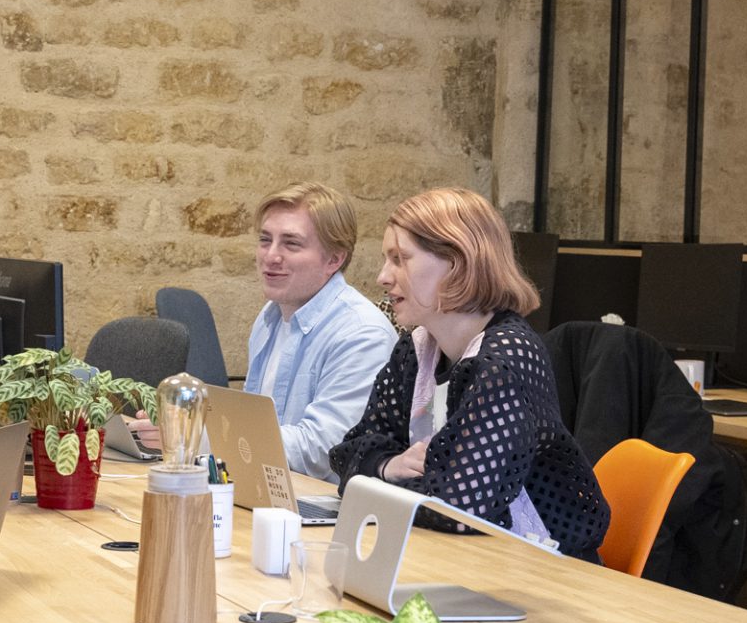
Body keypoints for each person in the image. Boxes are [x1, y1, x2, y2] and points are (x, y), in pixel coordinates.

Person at [329, 187, 610, 562]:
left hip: (540, 570)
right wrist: (387, 465)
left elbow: (457, 509)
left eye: (400, 259)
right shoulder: (417, 347)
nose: (383, 276)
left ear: (457, 264)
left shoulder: (506, 360)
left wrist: (376, 480)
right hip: (460, 558)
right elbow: (348, 454)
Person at [130, 182, 396, 481]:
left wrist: (194, 436)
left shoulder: (361, 334)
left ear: (334, 259)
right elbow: (252, 424)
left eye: (291, 244)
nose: (270, 256)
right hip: (264, 489)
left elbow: (324, 450)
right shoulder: (269, 317)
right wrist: (182, 428)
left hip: (319, 508)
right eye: (265, 240)